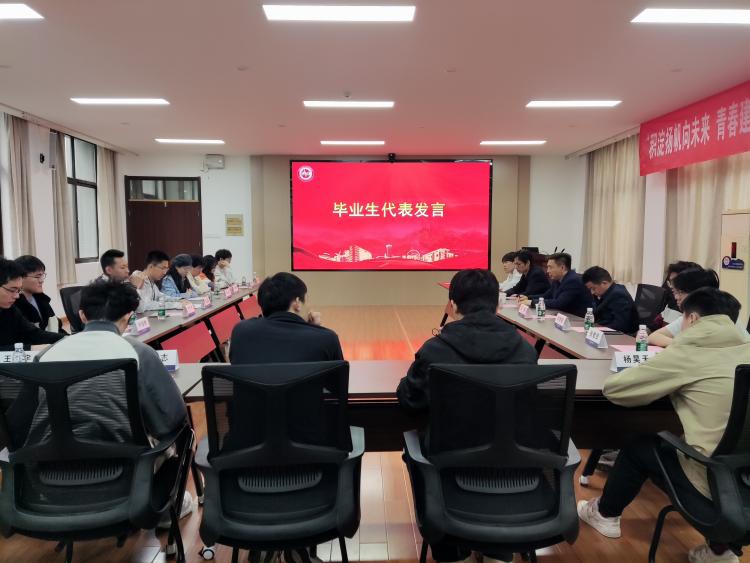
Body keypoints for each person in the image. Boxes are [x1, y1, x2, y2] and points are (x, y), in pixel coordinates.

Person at [577, 288, 750, 563]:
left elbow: (616, 390)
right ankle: (719, 550)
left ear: (692, 319)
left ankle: (605, 514)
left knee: (639, 445)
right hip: (744, 480)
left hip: (718, 486)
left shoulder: (689, 351)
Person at [8, 280, 193, 526]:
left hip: (46, 480)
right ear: (128, 317)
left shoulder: (46, 355)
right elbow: (170, 420)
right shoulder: (138, 353)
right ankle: (162, 513)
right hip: (123, 477)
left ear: (82, 316)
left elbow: (18, 425)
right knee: (180, 437)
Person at [397, 269, 536, 563]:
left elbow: (410, 401)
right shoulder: (525, 351)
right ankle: (498, 550)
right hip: (513, 472)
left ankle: (450, 551)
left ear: (452, 305)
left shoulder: (435, 350)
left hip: (449, 468)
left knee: (415, 452)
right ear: (498, 304)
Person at [228, 272, 342, 563]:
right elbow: (335, 386)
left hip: (248, 455)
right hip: (310, 453)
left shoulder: (240, 332)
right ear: (297, 303)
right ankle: (299, 548)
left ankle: (267, 545)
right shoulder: (325, 338)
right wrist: (315, 329)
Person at [0, 258, 64, 351]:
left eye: (18, 290)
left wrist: (67, 339)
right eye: (12, 290)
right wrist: (30, 348)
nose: (17, 296)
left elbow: (33, 333)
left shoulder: (10, 309)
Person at [648, 268, 720, 347]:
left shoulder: (719, 320)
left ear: (699, 293)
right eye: (676, 292)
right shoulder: (688, 316)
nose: (676, 297)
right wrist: (683, 344)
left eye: (681, 292)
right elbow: (653, 337)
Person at [520, 253, 592, 318]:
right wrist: (528, 298)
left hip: (577, 320)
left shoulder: (573, 280)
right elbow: (546, 295)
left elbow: (559, 303)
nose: (547, 271)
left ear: (562, 268)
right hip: (563, 316)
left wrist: (531, 302)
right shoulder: (557, 279)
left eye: (550, 267)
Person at [14, 255, 65, 333]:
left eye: (42, 275)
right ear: (21, 278)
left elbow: (57, 327)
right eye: (37, 276)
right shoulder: (14, 304)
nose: (41, 280)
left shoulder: (41, 298)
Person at [581, 266, 639, 334]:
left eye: (593, 288)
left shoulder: (618, 295)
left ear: (604, 283)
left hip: (621, 336)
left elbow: (620, 325)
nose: (592, 292)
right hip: (605, 331)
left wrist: (596, 330)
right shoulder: (606, 293)